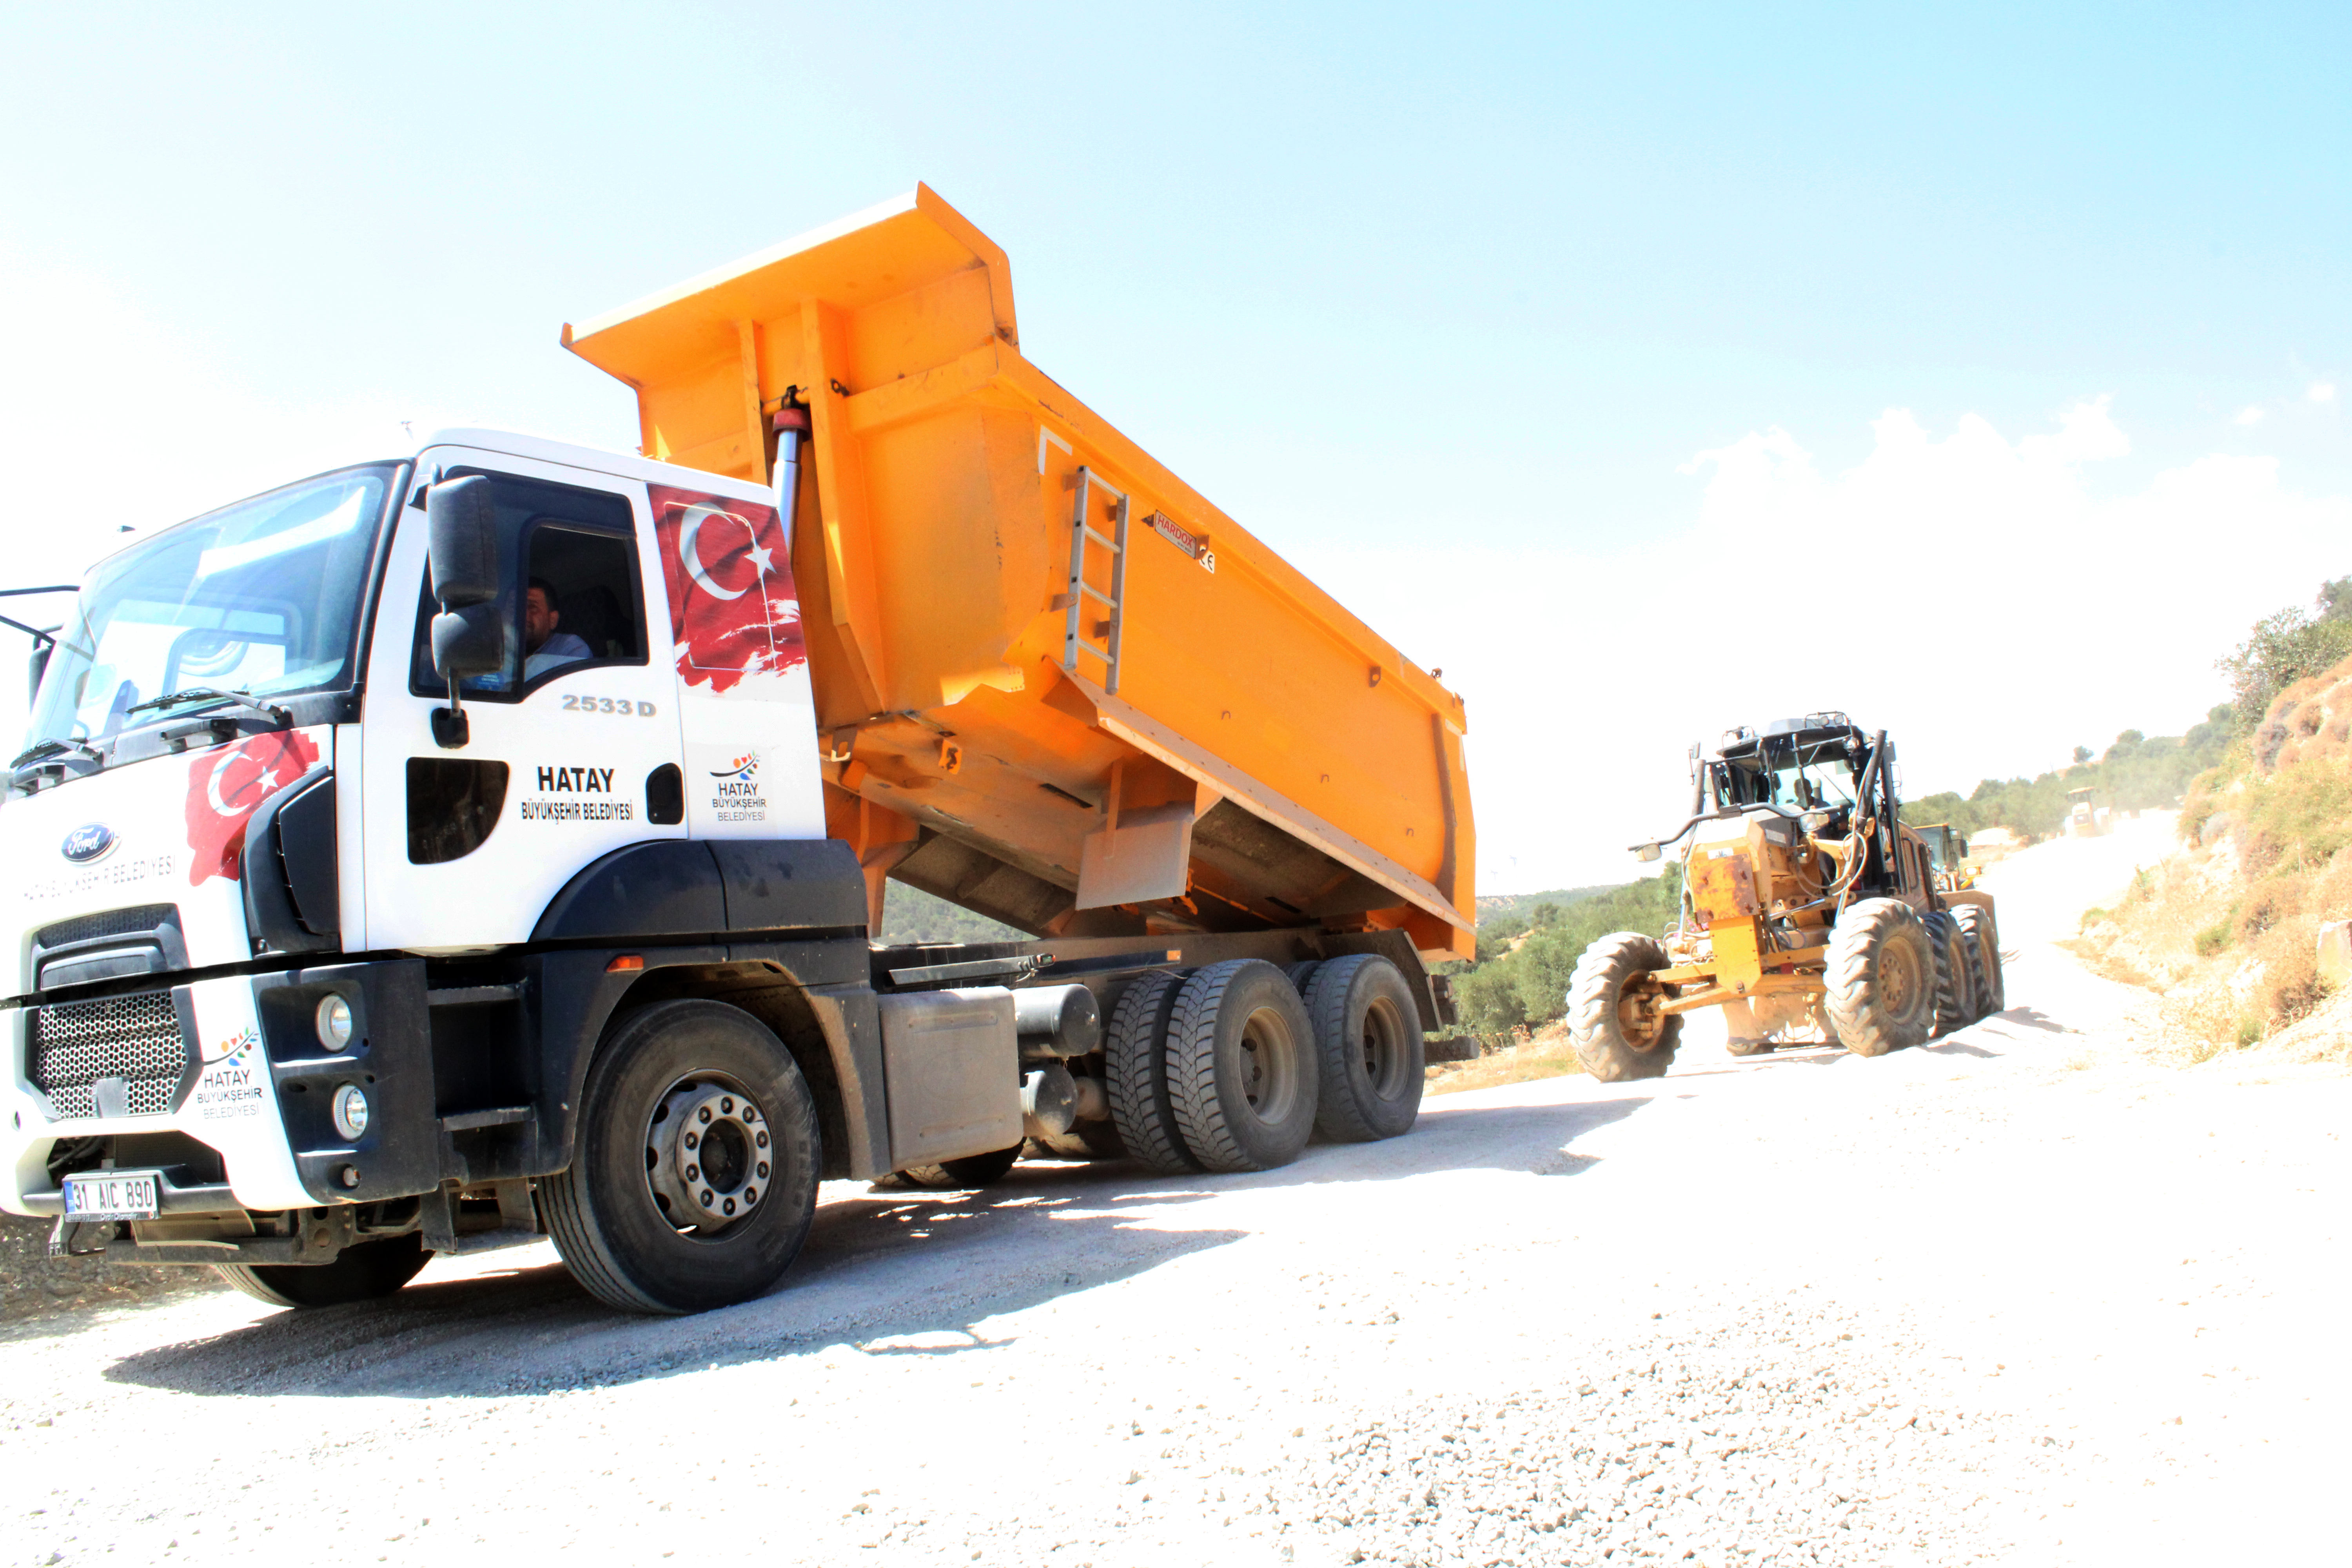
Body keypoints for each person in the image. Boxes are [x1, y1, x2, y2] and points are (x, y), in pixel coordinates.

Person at [523, 577, 592, 680]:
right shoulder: (497, 649)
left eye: (532, 607)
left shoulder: (571, 649)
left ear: (552, 620)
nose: (520, 615)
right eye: (513, 607)